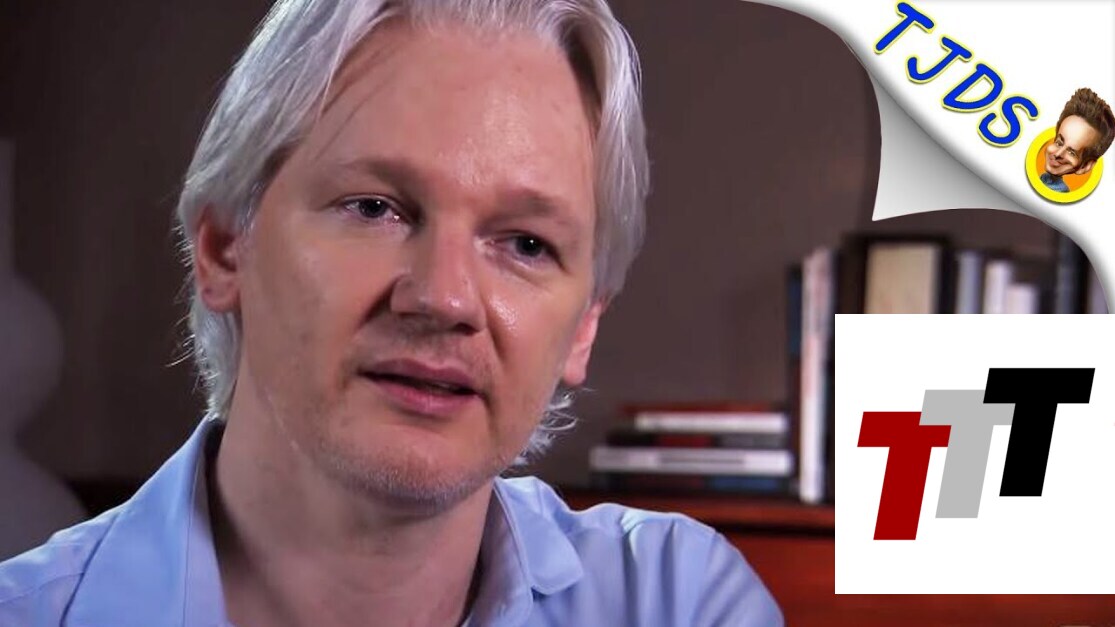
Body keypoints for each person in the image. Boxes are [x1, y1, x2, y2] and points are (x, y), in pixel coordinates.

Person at [0, 0, 783, 625]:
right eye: (374, 207)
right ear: (224, 249)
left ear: (584, 326)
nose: (444, 298)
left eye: (526, 244)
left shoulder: (676, 601)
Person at [1040, 88, 1115, 193]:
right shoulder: (1042, 179)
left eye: (1072, 152)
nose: (1058, 154)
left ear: (1085, 166)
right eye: (1059, 143)